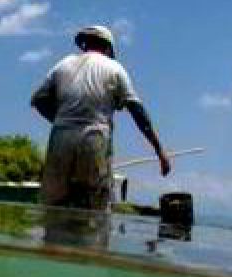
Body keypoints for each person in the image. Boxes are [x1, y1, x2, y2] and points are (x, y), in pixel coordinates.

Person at [31, 25, 171, 212]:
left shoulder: (62, 64)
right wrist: (159, 150)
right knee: (95, 211)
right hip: (94, 138)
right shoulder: (114, 68)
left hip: (60, 138)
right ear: (108, 48)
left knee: (52, 207)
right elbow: (137, 110)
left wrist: (59, 121)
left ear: (84, 44)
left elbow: (38, 100)